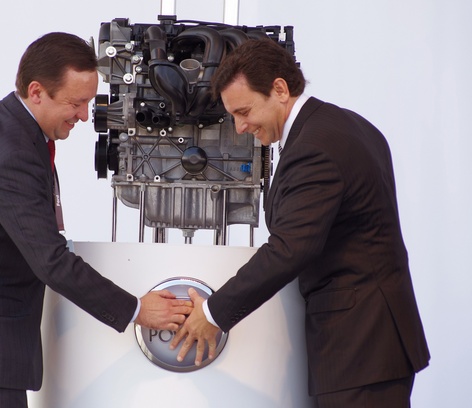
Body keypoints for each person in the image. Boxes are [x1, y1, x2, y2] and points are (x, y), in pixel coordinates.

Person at [0, 32, 193, 407]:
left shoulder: (5, 124)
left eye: (88, 102)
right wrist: (138, 310)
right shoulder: (11, 152)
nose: (85, 116)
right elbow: (51, 261)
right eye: (76, 103)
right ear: (37, 92)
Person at [170, 38, 430, 407]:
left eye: (244, 111)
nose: (240, 127)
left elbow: (290, 249)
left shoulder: (315, 147)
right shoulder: (349, 124)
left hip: (360, 346)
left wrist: (212, 314)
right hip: (372, 344)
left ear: (279, 89)